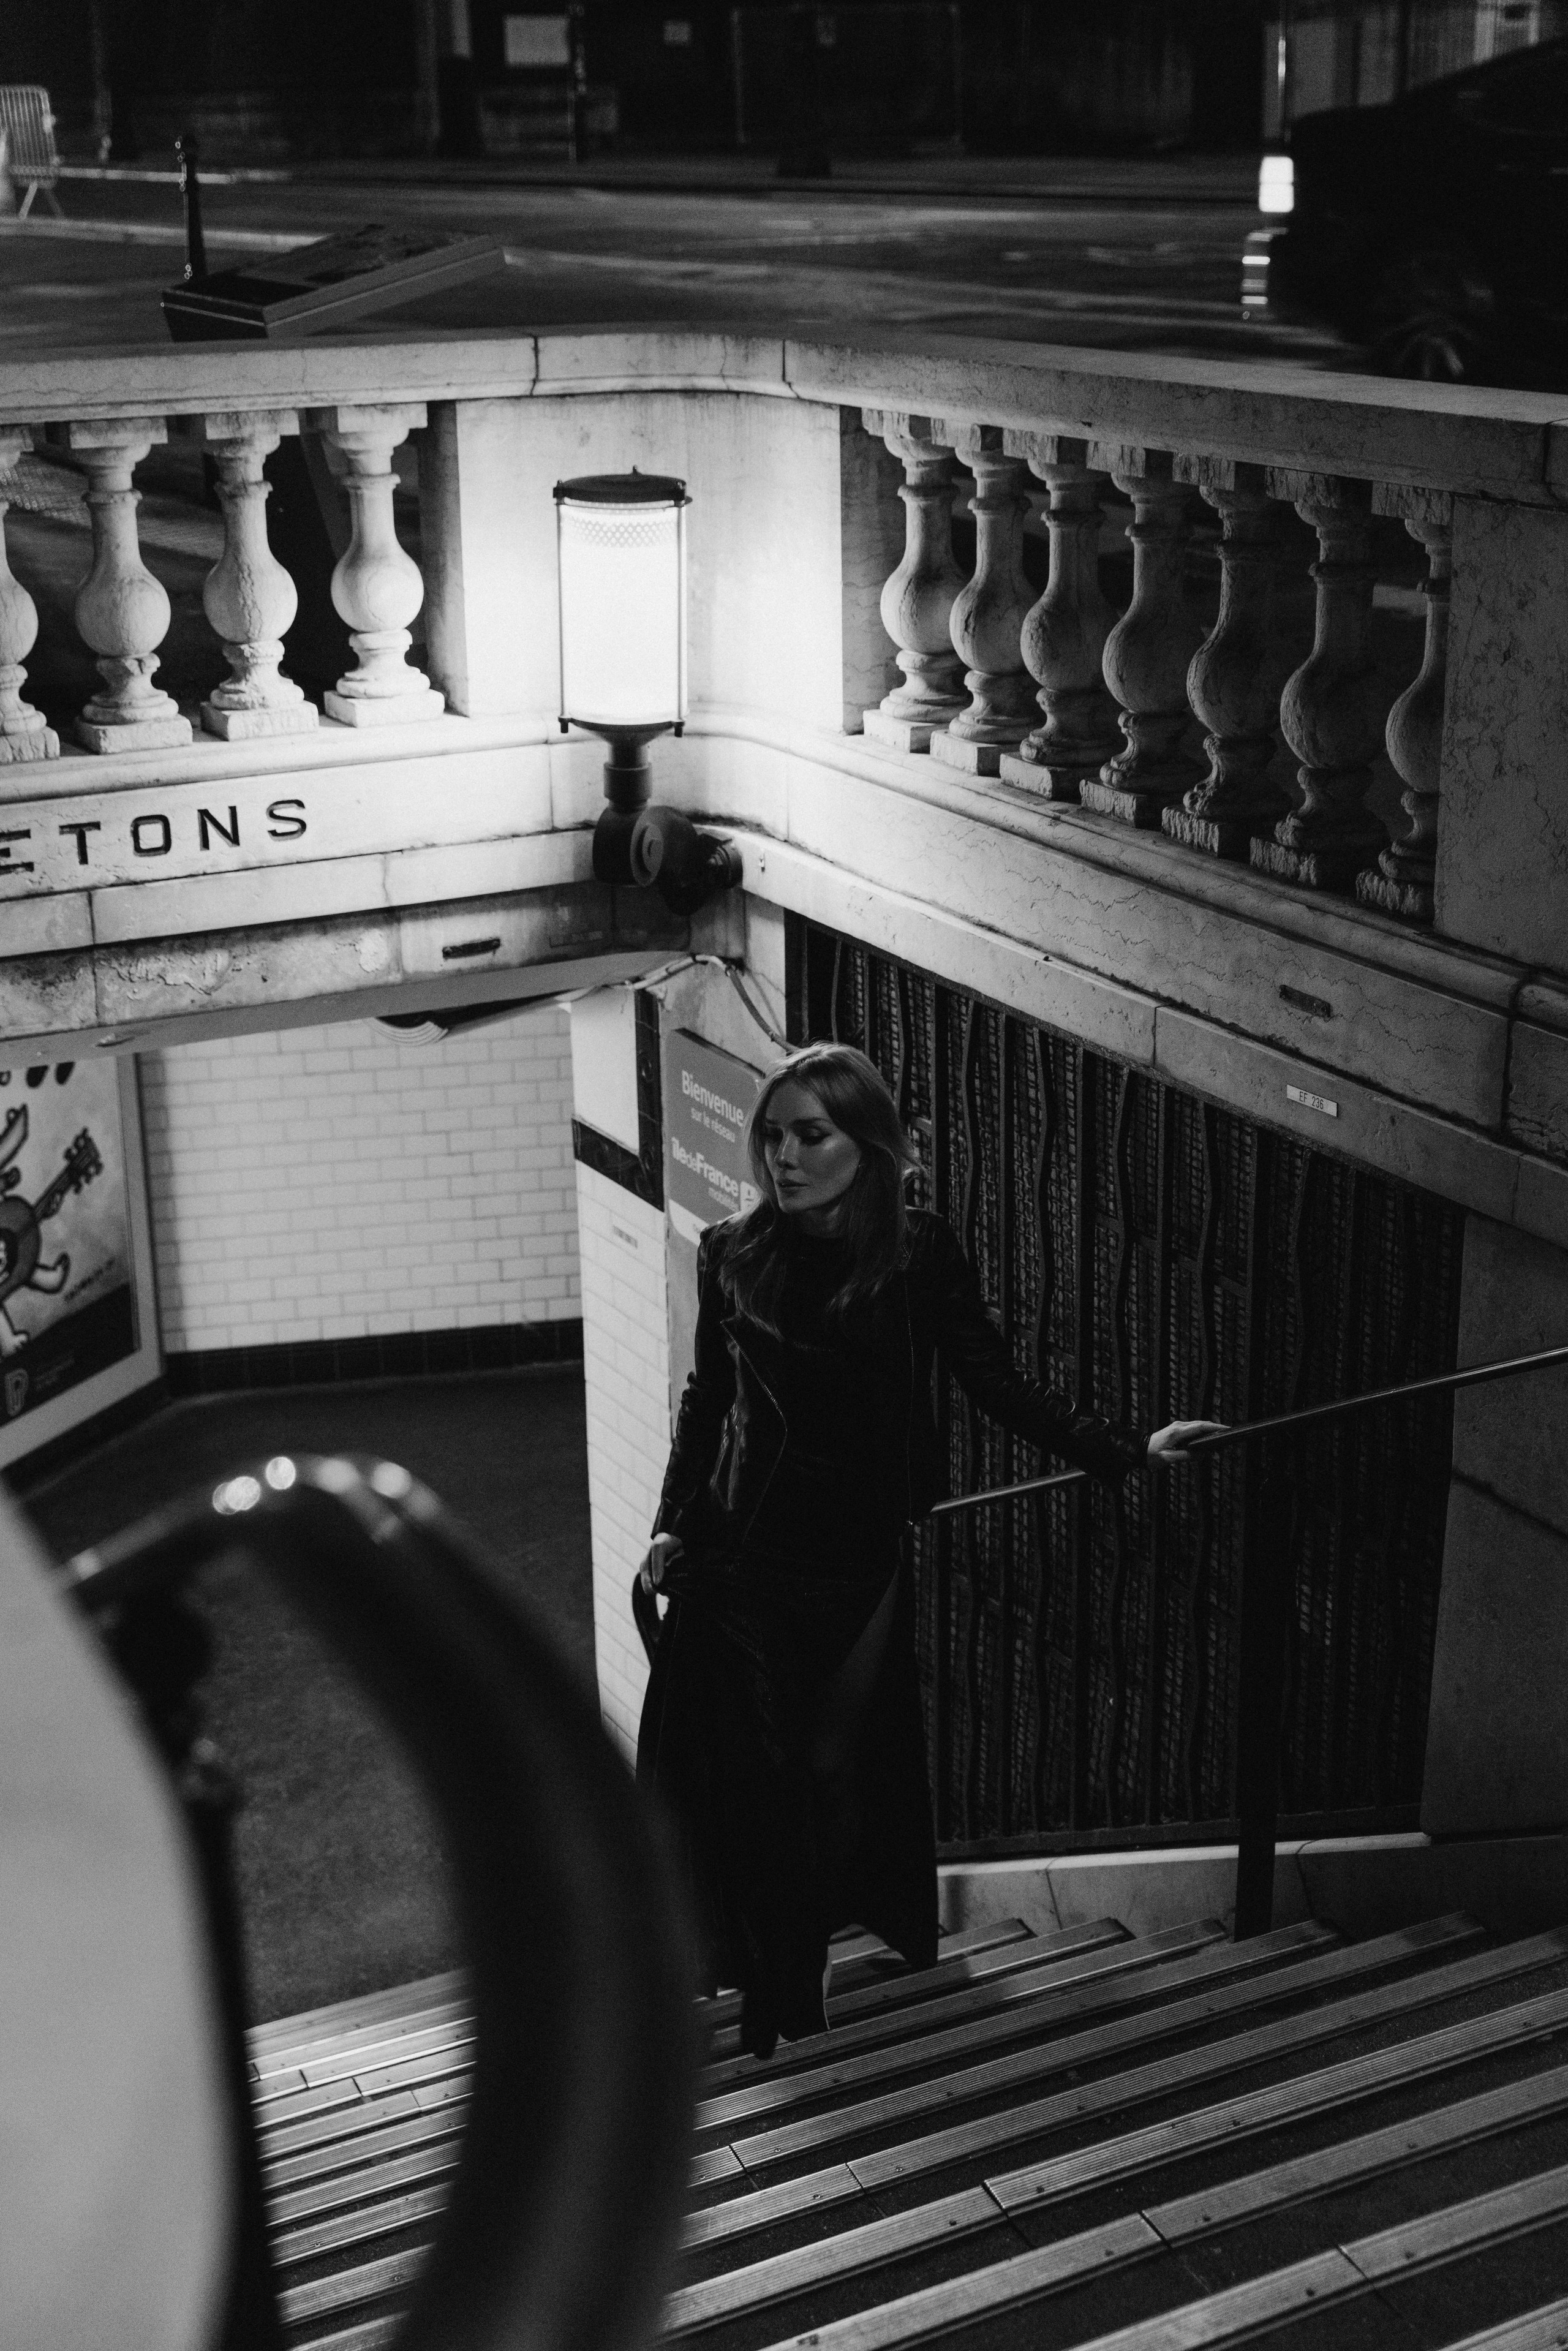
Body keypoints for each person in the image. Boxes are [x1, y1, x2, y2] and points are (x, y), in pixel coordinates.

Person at [636, 1042, 1222, 2059]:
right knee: (756, 1775)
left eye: (810, 1135)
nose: (785, 1156)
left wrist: (1127, 1448)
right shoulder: (731, 1249)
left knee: (827, 1766)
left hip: (858, 1554)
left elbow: (995, 1381)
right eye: (772, 1135)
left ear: (868, 1143)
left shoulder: (917, 1253)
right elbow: (710, 1401)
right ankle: (783, 1980)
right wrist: (670, 1520)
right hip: (740, 1559)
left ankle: (801, 1951)